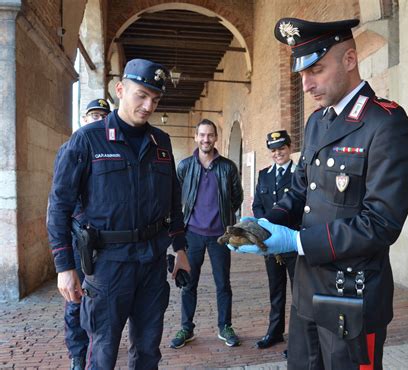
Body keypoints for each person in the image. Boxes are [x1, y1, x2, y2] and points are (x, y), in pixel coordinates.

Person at [229, 18, 408, 369]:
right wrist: (264, 225)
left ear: (349, 59)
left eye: (316, 69)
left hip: (352, 296)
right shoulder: (318, 122)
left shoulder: (386, 125)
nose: (307, 85)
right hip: (307, 291)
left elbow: (381, 223)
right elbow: (300, 189)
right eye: (301, 74)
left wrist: (297, 242)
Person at [47, 58, 191, 369]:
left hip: (152, 263)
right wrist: (64, 266)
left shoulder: (161, 143)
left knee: (148, 349)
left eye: (155, 99)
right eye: (141, 95)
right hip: (107, 266)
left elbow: (173, 201)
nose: (148, 105)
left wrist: (180, 247)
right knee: (103, 350)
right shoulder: (87, 140)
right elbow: (59, 204)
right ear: (120, 89)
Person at [170, 119, 244, 349]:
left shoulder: (228, 167)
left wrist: (224, 219)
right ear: (196, 137)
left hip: (220, 236)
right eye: (202, 135)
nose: (206, 139)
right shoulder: (184, 166)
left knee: (223, 284)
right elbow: (175, 197)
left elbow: (237, 197)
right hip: (192, 234)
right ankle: (186, 328)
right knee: (189, 284)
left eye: (210, 135)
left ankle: (225, 327)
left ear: (215, 137)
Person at [62, 99, 110, 370]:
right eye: (93, 115)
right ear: (84, 119)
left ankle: (100, 345)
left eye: (102, 116)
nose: (97, 120)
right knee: (75, 300)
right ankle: (78, 353)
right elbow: (60, 202)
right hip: (79, 240)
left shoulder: (114, 153)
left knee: (104, 301)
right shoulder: (70, 150)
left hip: (105, 243)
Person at [252, 130, 297, 352]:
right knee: (276, 289)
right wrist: (264, 227)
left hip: (293, 241)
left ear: (289, 148)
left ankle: (300, 338)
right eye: (274, 150)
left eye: (281, 148)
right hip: (271, 243)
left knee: (299, 292)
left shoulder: (300, 174)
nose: (277, 153)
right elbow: (258, 204)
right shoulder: (264, 175)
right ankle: (275, 332)